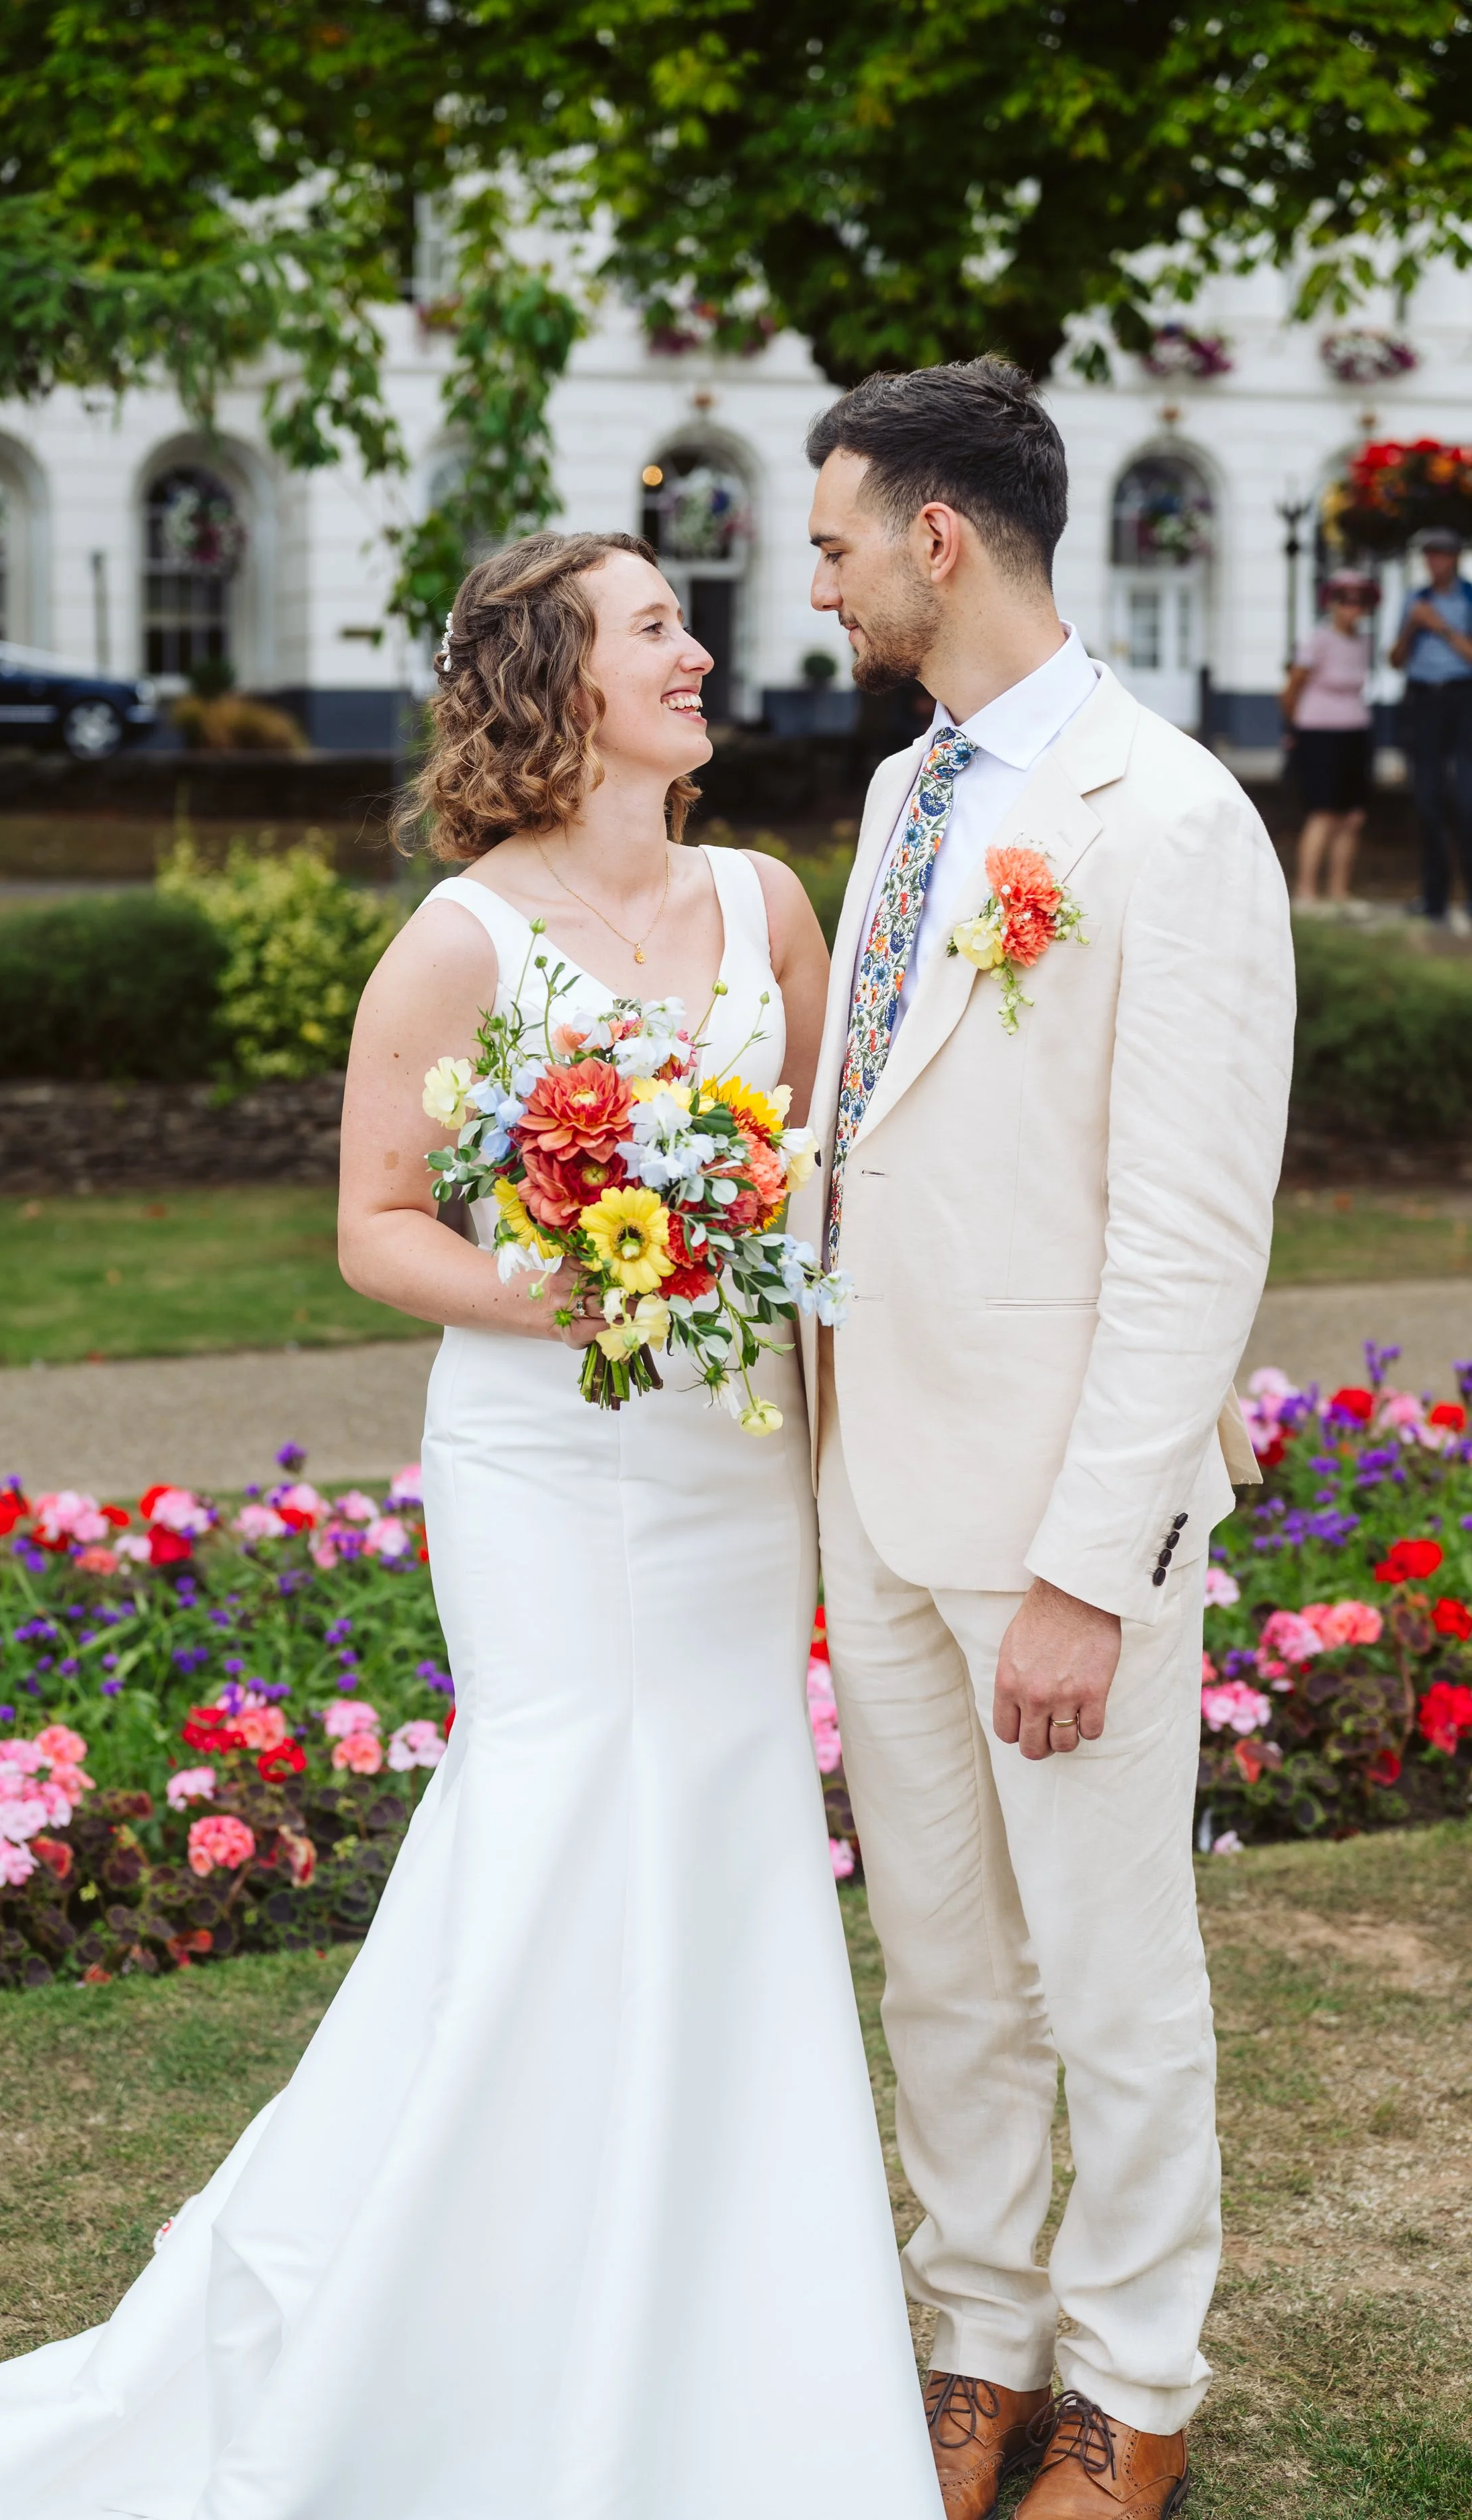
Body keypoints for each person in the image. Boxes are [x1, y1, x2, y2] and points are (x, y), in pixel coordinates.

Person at [0, 531, 941, 2520]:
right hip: (546, 1460)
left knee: (717, 1827)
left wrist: (754, 1272)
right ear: (561, 681)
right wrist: (577, 1281)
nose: (697, 653)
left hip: (723, 1459)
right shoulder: (460, 939)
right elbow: (373, 1226)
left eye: (683, 623)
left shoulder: (763, 903)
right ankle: (438, 2304)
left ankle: (729, 2325)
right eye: (651, 630)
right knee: (550, 1832)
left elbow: (816, 1175)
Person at [796, 362, 1295, 2520]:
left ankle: (1131, 2381)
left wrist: (1096, 1560)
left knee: (1106, 1974)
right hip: (871, 1475)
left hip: (1058, 1512)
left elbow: (1188, 1234)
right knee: (941, 1960)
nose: (805, 583)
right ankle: (976, 2333)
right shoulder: (906, 796)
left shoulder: (1168, 814)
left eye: (828, 542)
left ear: (934, 539)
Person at [1389, 526, 1472, 923]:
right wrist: (1411, 625)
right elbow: (1396, 659)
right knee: (1427, 800)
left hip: (1462, 700)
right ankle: (1434, 897)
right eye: (1428, 555)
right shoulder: (1414, 600)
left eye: (1440, 555)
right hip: (1423, 701)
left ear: (1454, 558)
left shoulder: (1469, 599)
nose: (1433, 562)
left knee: (1466, 799)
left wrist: (1439, 626)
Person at [1281, 569, 1377, 905]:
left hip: (1356, 731)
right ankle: (1306, 892)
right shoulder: (1318, 639)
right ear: (1333, 603)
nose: (1352, 607)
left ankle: (1339, 891)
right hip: (1319, 733)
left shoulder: (1365, 642)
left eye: (1359, 600)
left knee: (1352, 816)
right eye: (1345, 599)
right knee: (1323, 812)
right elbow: (1292, 687)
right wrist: (1296, 729)